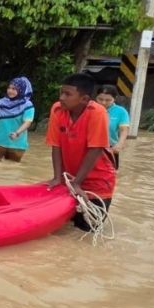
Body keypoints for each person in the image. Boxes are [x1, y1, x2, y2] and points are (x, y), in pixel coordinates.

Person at [45, 72, 117, 231]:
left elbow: (96, 149)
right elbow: (56, 145)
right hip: (70, 179)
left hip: (98, 182)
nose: (62, 97)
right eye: (61, 93)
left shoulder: (97, 112)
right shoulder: (57, 110)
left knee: (88, 229)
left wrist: (77, 182)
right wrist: (58, 178)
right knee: (65, 230)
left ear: (84, 99)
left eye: (67, 94)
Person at [95, 85, 130, 170]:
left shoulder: (121, 111)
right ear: (96, 97)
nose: (103, 102)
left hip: (110, 148)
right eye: (100, 99)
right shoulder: (90, 109)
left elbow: (124, 130)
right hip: (91, 147)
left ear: (115, 98)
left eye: (108, 100)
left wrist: (120, 144)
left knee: (110, 173)